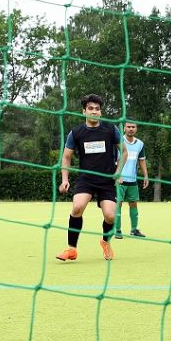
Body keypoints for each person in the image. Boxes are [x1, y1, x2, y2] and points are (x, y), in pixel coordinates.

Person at [56, 94, 127, 261]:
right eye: (90, 109)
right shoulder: (76, 133)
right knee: (77, 207)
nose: (94, 112)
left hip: (107, 180)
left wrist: (118, 172)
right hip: (86, 179)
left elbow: (124, 152)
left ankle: (105, 242)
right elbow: (66, 156)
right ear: (84, 111)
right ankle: (71, 249)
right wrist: (65, 179)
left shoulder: (111, 130)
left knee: (110, 216)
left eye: (97, 109)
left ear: (100, 112)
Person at [114, 121, 149, 239]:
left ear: (136, 128)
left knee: (133, 204)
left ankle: (134, 230)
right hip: (119, 180)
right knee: (118, 204)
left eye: (133, 127)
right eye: (128, 127)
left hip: (132, 180)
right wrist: (117, 175)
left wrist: (145, 176)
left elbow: (142, 160)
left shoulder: (140, 144)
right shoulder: (118, 142)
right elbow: (113, 159)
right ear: (124, 128)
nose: (131, 129)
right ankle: (117, 230)